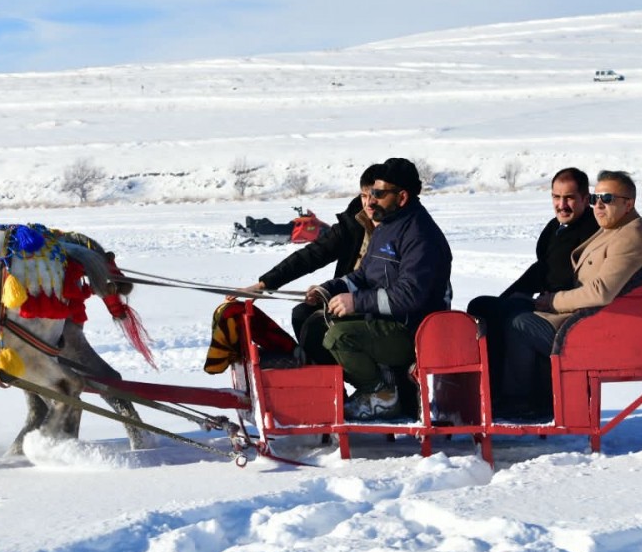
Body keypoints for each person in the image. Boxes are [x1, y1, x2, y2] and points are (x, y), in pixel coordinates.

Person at [300, 158, 453, 420]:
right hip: (385, 323)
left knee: (339, 337)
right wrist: (329, 290)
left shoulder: (420, 235)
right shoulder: (388, 226)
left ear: (402, 197)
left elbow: (409, 296)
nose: (370, 201)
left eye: (379, 194)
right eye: (370, 193)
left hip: (411, 332)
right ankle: (352, 392)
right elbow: (364, 275)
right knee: (313, 325)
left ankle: (381, 393)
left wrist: (356, 303)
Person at [496, 170, 642, 420]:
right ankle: (512, 397)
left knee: (521, 325)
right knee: (506, 312)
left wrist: (552, 302)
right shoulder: (612, 230)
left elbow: (600, 292)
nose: (599, 205)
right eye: (596, 198)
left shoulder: (629, 237)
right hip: (584, 320)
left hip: (592, 328)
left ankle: (523, 404)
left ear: (629, 203)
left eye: (607, 198)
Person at [466, 167, 599, 397]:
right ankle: (490, 388)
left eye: (569, 198)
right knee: (482, 307)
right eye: (556, 197)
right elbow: (542, 268)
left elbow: (571, 277)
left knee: (516, 321)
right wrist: (513, 294)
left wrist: (545, 300)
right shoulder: (554, 228)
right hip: (544, 303)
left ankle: (519, 400)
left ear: (585, 199)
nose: (562, 205)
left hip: (564, 314)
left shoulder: (592, 231)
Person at [240, 164, 379, 341]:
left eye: (374, 196)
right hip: (346, 295)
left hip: (372, 305)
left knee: (316, 326)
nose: (368, 204)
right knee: (302, 314)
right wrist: (265, 284)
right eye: (364, 196)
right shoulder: (354, 222)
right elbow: (313, 253)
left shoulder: (395, 230)